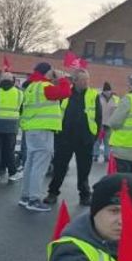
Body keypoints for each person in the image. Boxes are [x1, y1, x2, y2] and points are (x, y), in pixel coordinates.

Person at [18, 62, 74, 210]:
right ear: (48, 72)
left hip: (31, 128)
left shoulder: (32, 86)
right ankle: (34, 199)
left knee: (30, 164)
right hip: (43, 129)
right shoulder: (45, 86)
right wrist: (62, 79)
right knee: (40, 165)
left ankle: (25, 196)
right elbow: (65, 93)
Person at [45, 68, 98, 207]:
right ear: (74, 81)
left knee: (84, 169)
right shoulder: (65, 93)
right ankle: (52, 193)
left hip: (85, 138)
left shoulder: (93, 95)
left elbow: (98, 117)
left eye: (87, 79)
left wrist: (94, 137)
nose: (86, 82)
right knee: (59, 167)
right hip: (65, 137)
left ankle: (85, 195)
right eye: (83, 79)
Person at [93, 82, 115, 163]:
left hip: (109, 123)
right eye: (106, 91)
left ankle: (106, 156)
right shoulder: (98, 98)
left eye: (108, 91)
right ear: (104, 91)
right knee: (98, 140)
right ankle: (95, 155)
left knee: (107, 141)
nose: (107, 92)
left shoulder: (115, 99)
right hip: (100, 122)